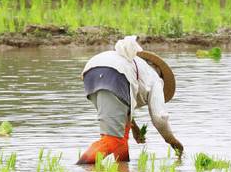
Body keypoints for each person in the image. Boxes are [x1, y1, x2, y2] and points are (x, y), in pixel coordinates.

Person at [77, 36, 184, 164]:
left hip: (91, 72)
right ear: (159, 71)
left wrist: (134, 128)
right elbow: (160, 118)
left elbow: (122, 102)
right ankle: (82, 167)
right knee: (112, 140)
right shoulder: (155, 79)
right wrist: (172, 141)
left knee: (120, 138)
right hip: (114, 75)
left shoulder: (135, 66)